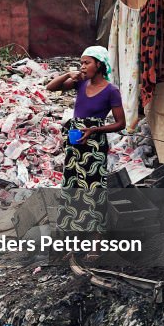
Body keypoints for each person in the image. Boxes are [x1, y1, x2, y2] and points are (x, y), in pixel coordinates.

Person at [46, 46, 126, 233]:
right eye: (81, 63)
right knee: (71, 186)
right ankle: (73, 234)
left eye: (87, 63)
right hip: (75, 144)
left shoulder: (111, 91)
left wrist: (94, 129)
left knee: (94, 190)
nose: (82, 66)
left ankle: (96, 241)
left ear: (99, 65)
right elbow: (50, 87)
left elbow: (120, 123)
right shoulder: (80, 84)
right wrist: (68, 74)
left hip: (94, 146)